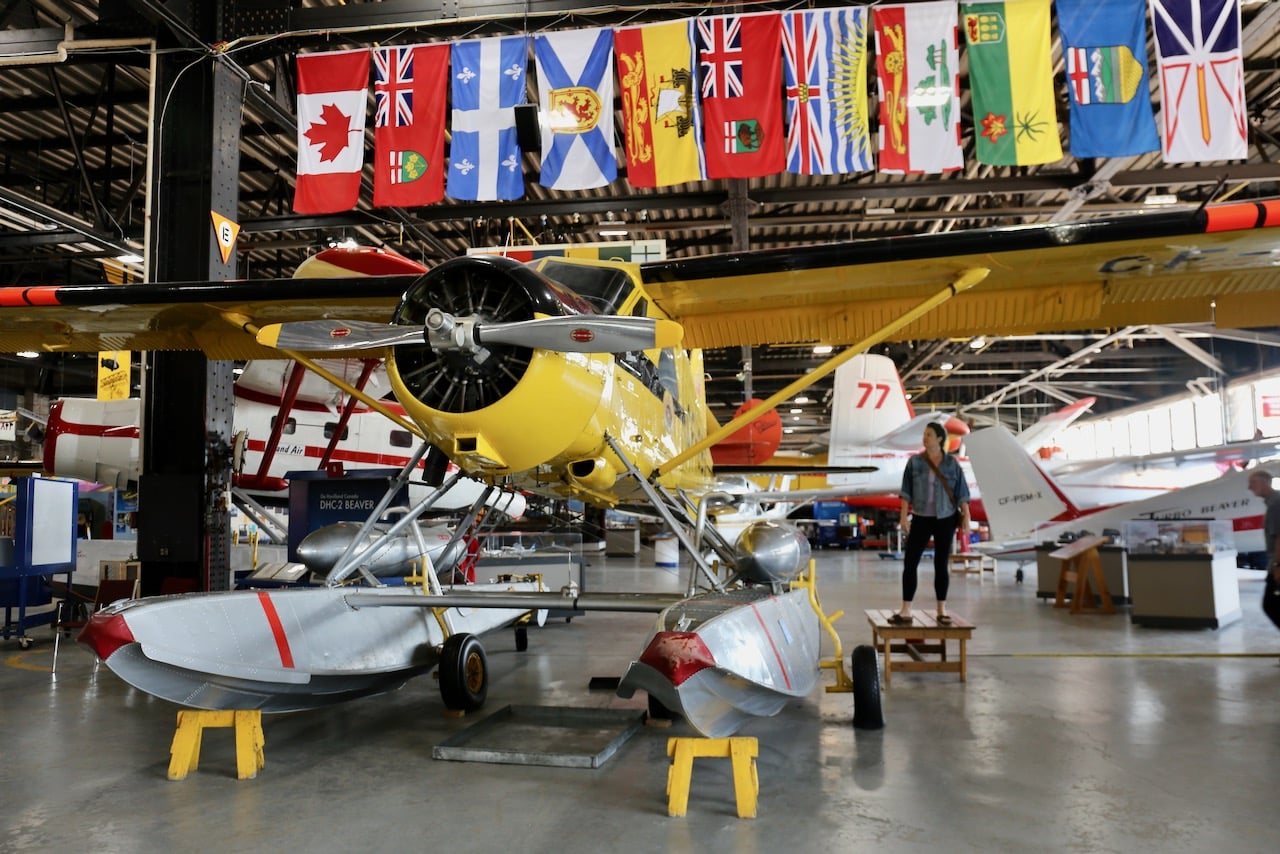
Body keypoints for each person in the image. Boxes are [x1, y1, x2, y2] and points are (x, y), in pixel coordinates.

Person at [891, 421, 971, 625]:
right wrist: (903, 516)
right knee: (910, 563)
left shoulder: (952, 464)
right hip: (920, 517)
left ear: (940, 439)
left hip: (946, 518)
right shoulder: (915, 462)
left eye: (929, 434)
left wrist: (966, 515)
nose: (924, 438)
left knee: (941, 564)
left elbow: (962, 492)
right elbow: (906, 491)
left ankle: (941, 610)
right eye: (924, 434)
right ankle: (906, 609)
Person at [1246, 469, 1280, 631]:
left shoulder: (1276, 504)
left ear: (1265, 483)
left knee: (1271, 605)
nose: (1249, 487)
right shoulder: (1273, 503)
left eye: (1253, 483)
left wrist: (1277, 568)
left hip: (1277, 565)